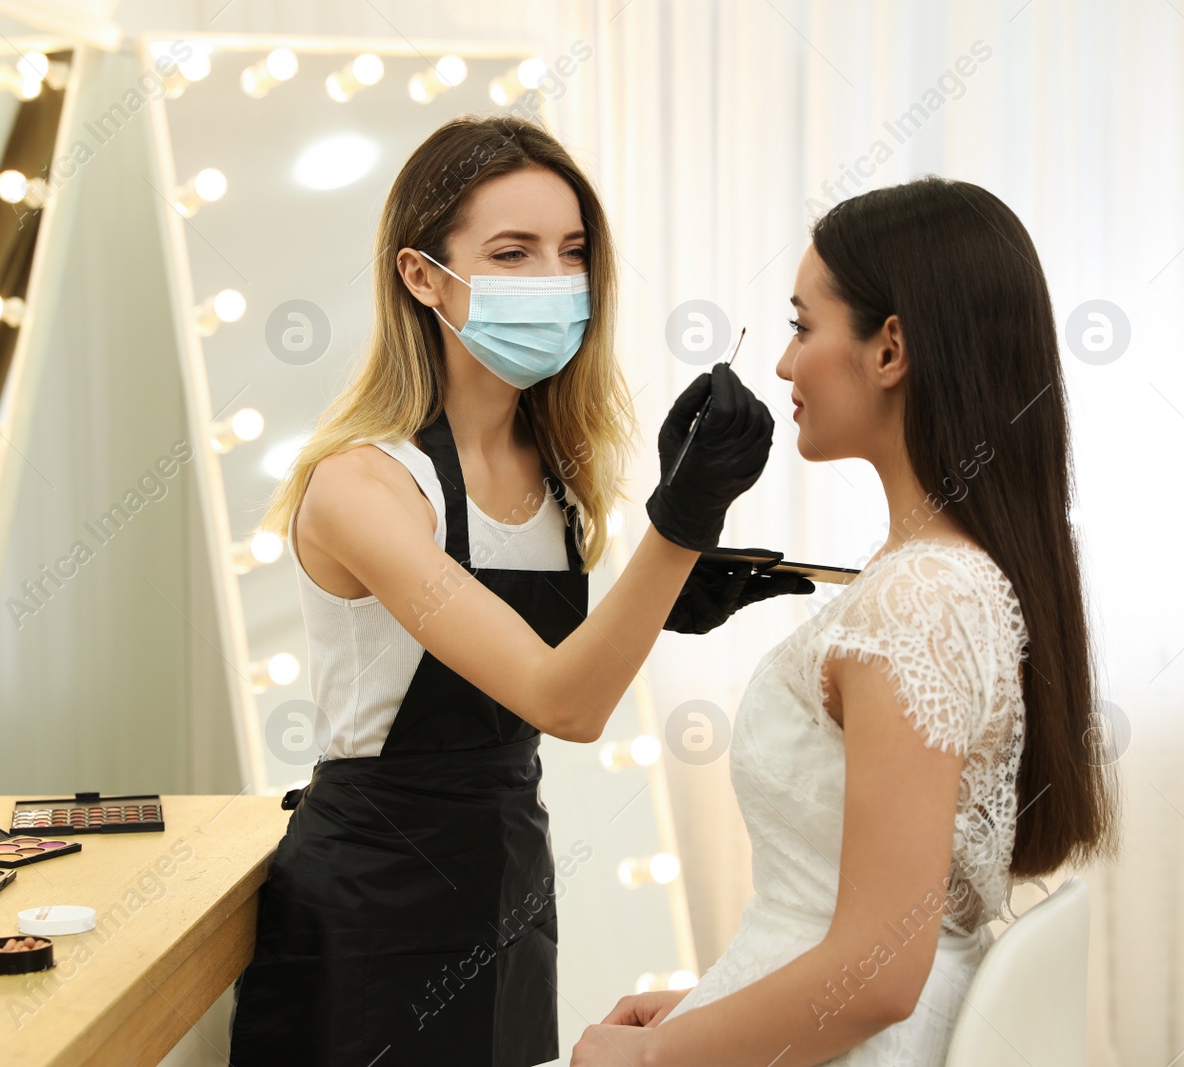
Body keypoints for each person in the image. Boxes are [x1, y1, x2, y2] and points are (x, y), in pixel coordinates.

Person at [226, 115, 811, 1067]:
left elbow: (546, 674)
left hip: (508, 884)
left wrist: (661, 594)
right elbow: (561, 700)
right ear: (422, 276)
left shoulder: (562, 482)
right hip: (369, 903)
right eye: (513, 252)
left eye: (572, 253)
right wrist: (680, 523)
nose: (552, 280)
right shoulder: (364, 486)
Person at [569, 176, 1119, 1066]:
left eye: (800, 326)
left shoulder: (915, 602)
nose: (783, 365)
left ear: (890, 348)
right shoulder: (944, 578)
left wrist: (646, 1058)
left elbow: (877, 974)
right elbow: (860, 925)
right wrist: (710, 1004)